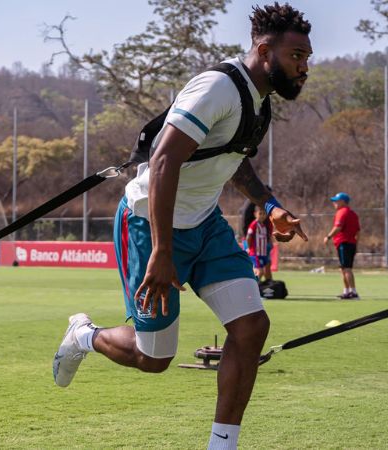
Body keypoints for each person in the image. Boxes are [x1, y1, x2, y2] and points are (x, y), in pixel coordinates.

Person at [52, 3, 311, 449]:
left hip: (206, 226)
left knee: (251, 328)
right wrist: (161, 249)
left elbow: (234, 161)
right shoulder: (217, 87)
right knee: (154, 359)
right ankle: (84, 335)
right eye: (296, 57)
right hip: (150, 225)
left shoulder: (260, 102)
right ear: (264, 50)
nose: (304, 68)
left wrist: (269, 205)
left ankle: (222, 444)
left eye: (307, 59)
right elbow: (165, 158)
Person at [324, 192, 360, 299]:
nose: (334, 203)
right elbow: (358, 232)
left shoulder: (342, 212)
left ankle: (353, 292)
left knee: (347, 268)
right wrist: (356, 244)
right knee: (343, 268)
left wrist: (328, 236)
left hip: (344, 243)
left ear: (343, 202)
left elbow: (338, 228)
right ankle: (347, 291)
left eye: (336, 201)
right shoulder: (353, 214)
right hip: (350, 243)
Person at [247, 205, 273, 282]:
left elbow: (266, 238)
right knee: (259, 271)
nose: (262, 216)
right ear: (255, 214)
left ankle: (260, 288)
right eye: (260, 213)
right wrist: (248, 248)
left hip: (263, 253)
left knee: (265, 272)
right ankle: (252, 288)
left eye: (264, 214)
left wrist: (270, 244)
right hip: (255, 253)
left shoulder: (264, 226)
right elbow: (248, 237)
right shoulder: (254, 224)